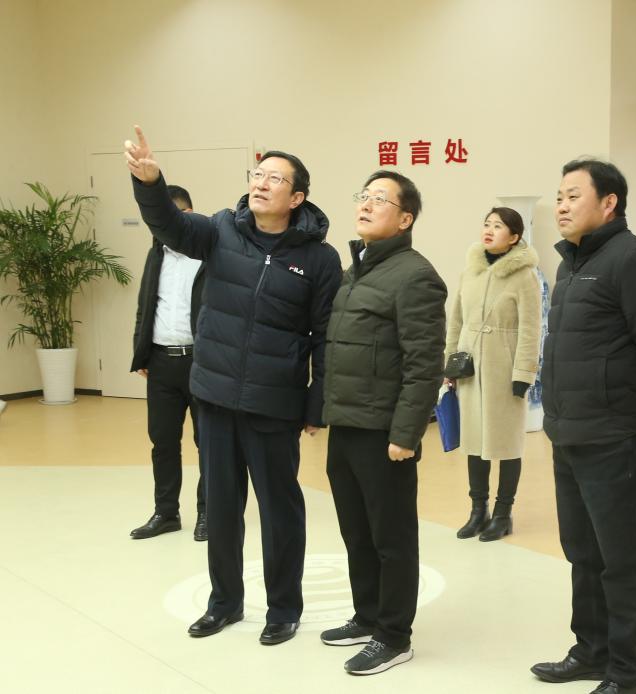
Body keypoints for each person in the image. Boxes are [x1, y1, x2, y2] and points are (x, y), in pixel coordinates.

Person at [125, 127, 342, 646]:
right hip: (216, 396)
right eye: (258, 174)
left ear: (297, 197)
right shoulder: (221, 229)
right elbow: (170, 225)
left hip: (274, 403)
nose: (261, 184)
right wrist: (151, 184)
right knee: (221, 509)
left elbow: (325, 336)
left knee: (279, 511)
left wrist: (316, 405)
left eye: (275, 179)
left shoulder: (319, 259)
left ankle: (284, 608)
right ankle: (223, 602)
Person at [531, 159, 636, 694]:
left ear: (609, 202)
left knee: (621, 558)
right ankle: (591, 650)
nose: (561, 206)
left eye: (573, 195)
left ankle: (626, 670)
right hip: (569, 432)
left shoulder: (633, 261)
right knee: (583, 551)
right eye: (559, 196)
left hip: (613, 435)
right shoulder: (572, 264)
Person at [319, 171, 447, 675]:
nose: (366, 204)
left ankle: (394, 636)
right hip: (346, 424)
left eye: (380, 199)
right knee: (356, 532)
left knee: (391, 539)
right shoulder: (356, 270)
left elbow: (424, 364)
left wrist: (405, 434)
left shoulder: (416, 276)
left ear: (405, 218)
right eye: (364, 196)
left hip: (384, 433)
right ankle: (367, 616)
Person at [445, 206, 542, 542]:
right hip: (470, 369)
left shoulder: (526, 277)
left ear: (514, 237)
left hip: (505, 369)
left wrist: (524, 372)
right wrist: (449, 362)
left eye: (498, 226)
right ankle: (478, 511)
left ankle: (503, 514)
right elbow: (456, 320)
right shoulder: (470, 271)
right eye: (486, 224)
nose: (488, 230)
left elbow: (531, 329)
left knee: (507, 443)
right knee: (474, 441)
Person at [128, 184, 208, 542]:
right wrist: (142, 351)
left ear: (187, 216)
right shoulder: (155, 254)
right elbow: (146, 305)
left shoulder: (208, 254)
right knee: (162, 442)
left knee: (208, 443)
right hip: (161, 363)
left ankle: (209, 512)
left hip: (201, 363)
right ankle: (166, 512)